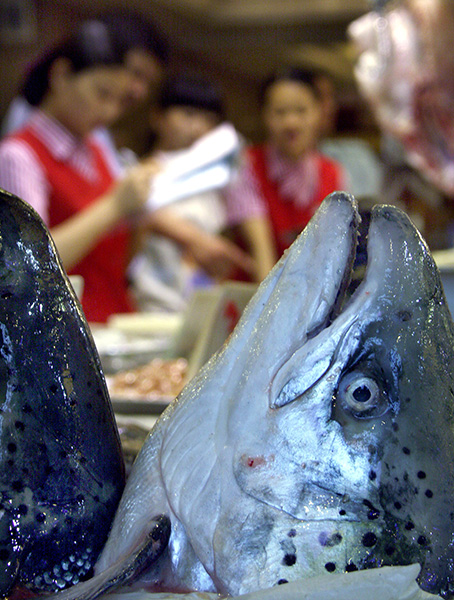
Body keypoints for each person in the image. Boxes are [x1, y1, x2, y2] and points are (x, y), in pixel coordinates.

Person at [0, 21, 156, 323]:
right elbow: (29, 265)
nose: (109, 112)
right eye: (102, 94)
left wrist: (140, 215)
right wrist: (114, 206)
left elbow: (113, 259)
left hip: (111, 320)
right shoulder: (18, 155)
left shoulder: (94, 152)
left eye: (118, 102)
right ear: (61, 75)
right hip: (63, 334)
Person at [129, 74, 254, 313]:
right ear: (158, 117)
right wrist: (193, 239)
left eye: (209, 120)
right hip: (150, 308)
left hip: (203, 306)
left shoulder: (219, 179)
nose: (198, 128)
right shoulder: (139, 173)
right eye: (188, 115)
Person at [1, 10, 169, 174]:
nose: (139, 90)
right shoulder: (25, 137)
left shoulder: (91, 130)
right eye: (136, 73)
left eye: (149, 83)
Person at [225, 66, 348, 274]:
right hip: (255, 295)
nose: (291, 123)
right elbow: (261, 252)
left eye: (301, 111)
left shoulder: (333, 172)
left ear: (319, 113)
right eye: (280, 112)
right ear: (264, 115)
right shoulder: (246, 164)